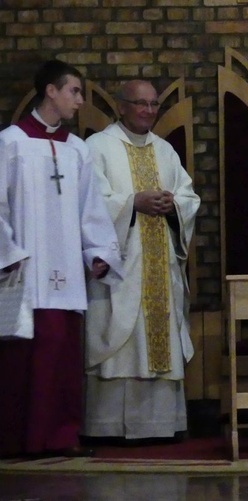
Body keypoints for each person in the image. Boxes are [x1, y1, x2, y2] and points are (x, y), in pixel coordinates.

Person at [0, 59, 123, 458]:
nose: (80, 100)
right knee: (27, 359)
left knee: (64, 357)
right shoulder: (11, 143)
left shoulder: (77, 150)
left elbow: (91, 209)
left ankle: (60, 436)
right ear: (50, 91)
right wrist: (9, 253)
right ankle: (23, 439)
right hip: (26, 271)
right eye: (74, 91)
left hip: (67, 272)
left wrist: (97, 252)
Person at [83, 80, 200, 441]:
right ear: (121, 106)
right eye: (140, 104)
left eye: (153, 104)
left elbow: (188, 195)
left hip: (159, 266)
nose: (148, 111)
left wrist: (174, 206)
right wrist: (131, 203)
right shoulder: (97, 147)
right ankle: (109, 427)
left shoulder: (165, 151)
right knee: (121, 339)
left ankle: (160, 425)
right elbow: (87, 201)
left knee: (157, 338)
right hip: (120, 268)